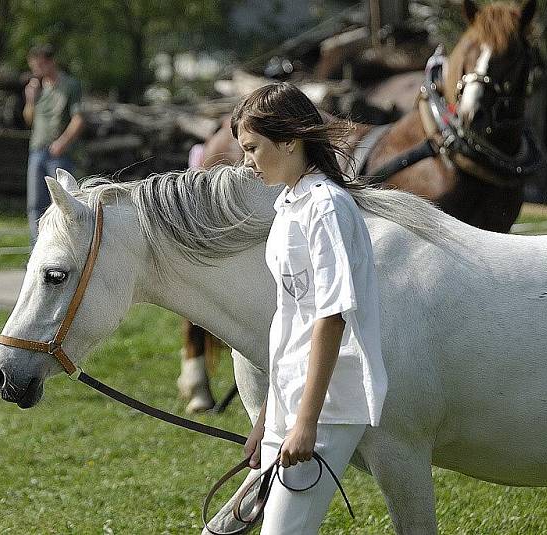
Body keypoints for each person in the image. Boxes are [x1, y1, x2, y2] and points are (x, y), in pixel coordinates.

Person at [231, 82, 387, 534]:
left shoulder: (326, 208)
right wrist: (269, 416)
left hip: (328, 404)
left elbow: (331, 317)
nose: (247, 161)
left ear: (290, 140)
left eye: (253, 148)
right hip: (293, 397)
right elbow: (291, 319)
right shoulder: (288, 206)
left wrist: (305, 422)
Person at [23, 44, 87, 244]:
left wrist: (63, 142)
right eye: (34, 66)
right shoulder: (37, 88)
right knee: (35, 205)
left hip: (59, 153)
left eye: (40, 65)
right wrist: (30, 100)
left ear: (51, 62)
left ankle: (67, 245)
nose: (37, 70)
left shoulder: (70, 85)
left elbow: (79, 119)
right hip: (36, 151)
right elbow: (29, 119)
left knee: (62, 202)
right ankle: (39, 248)